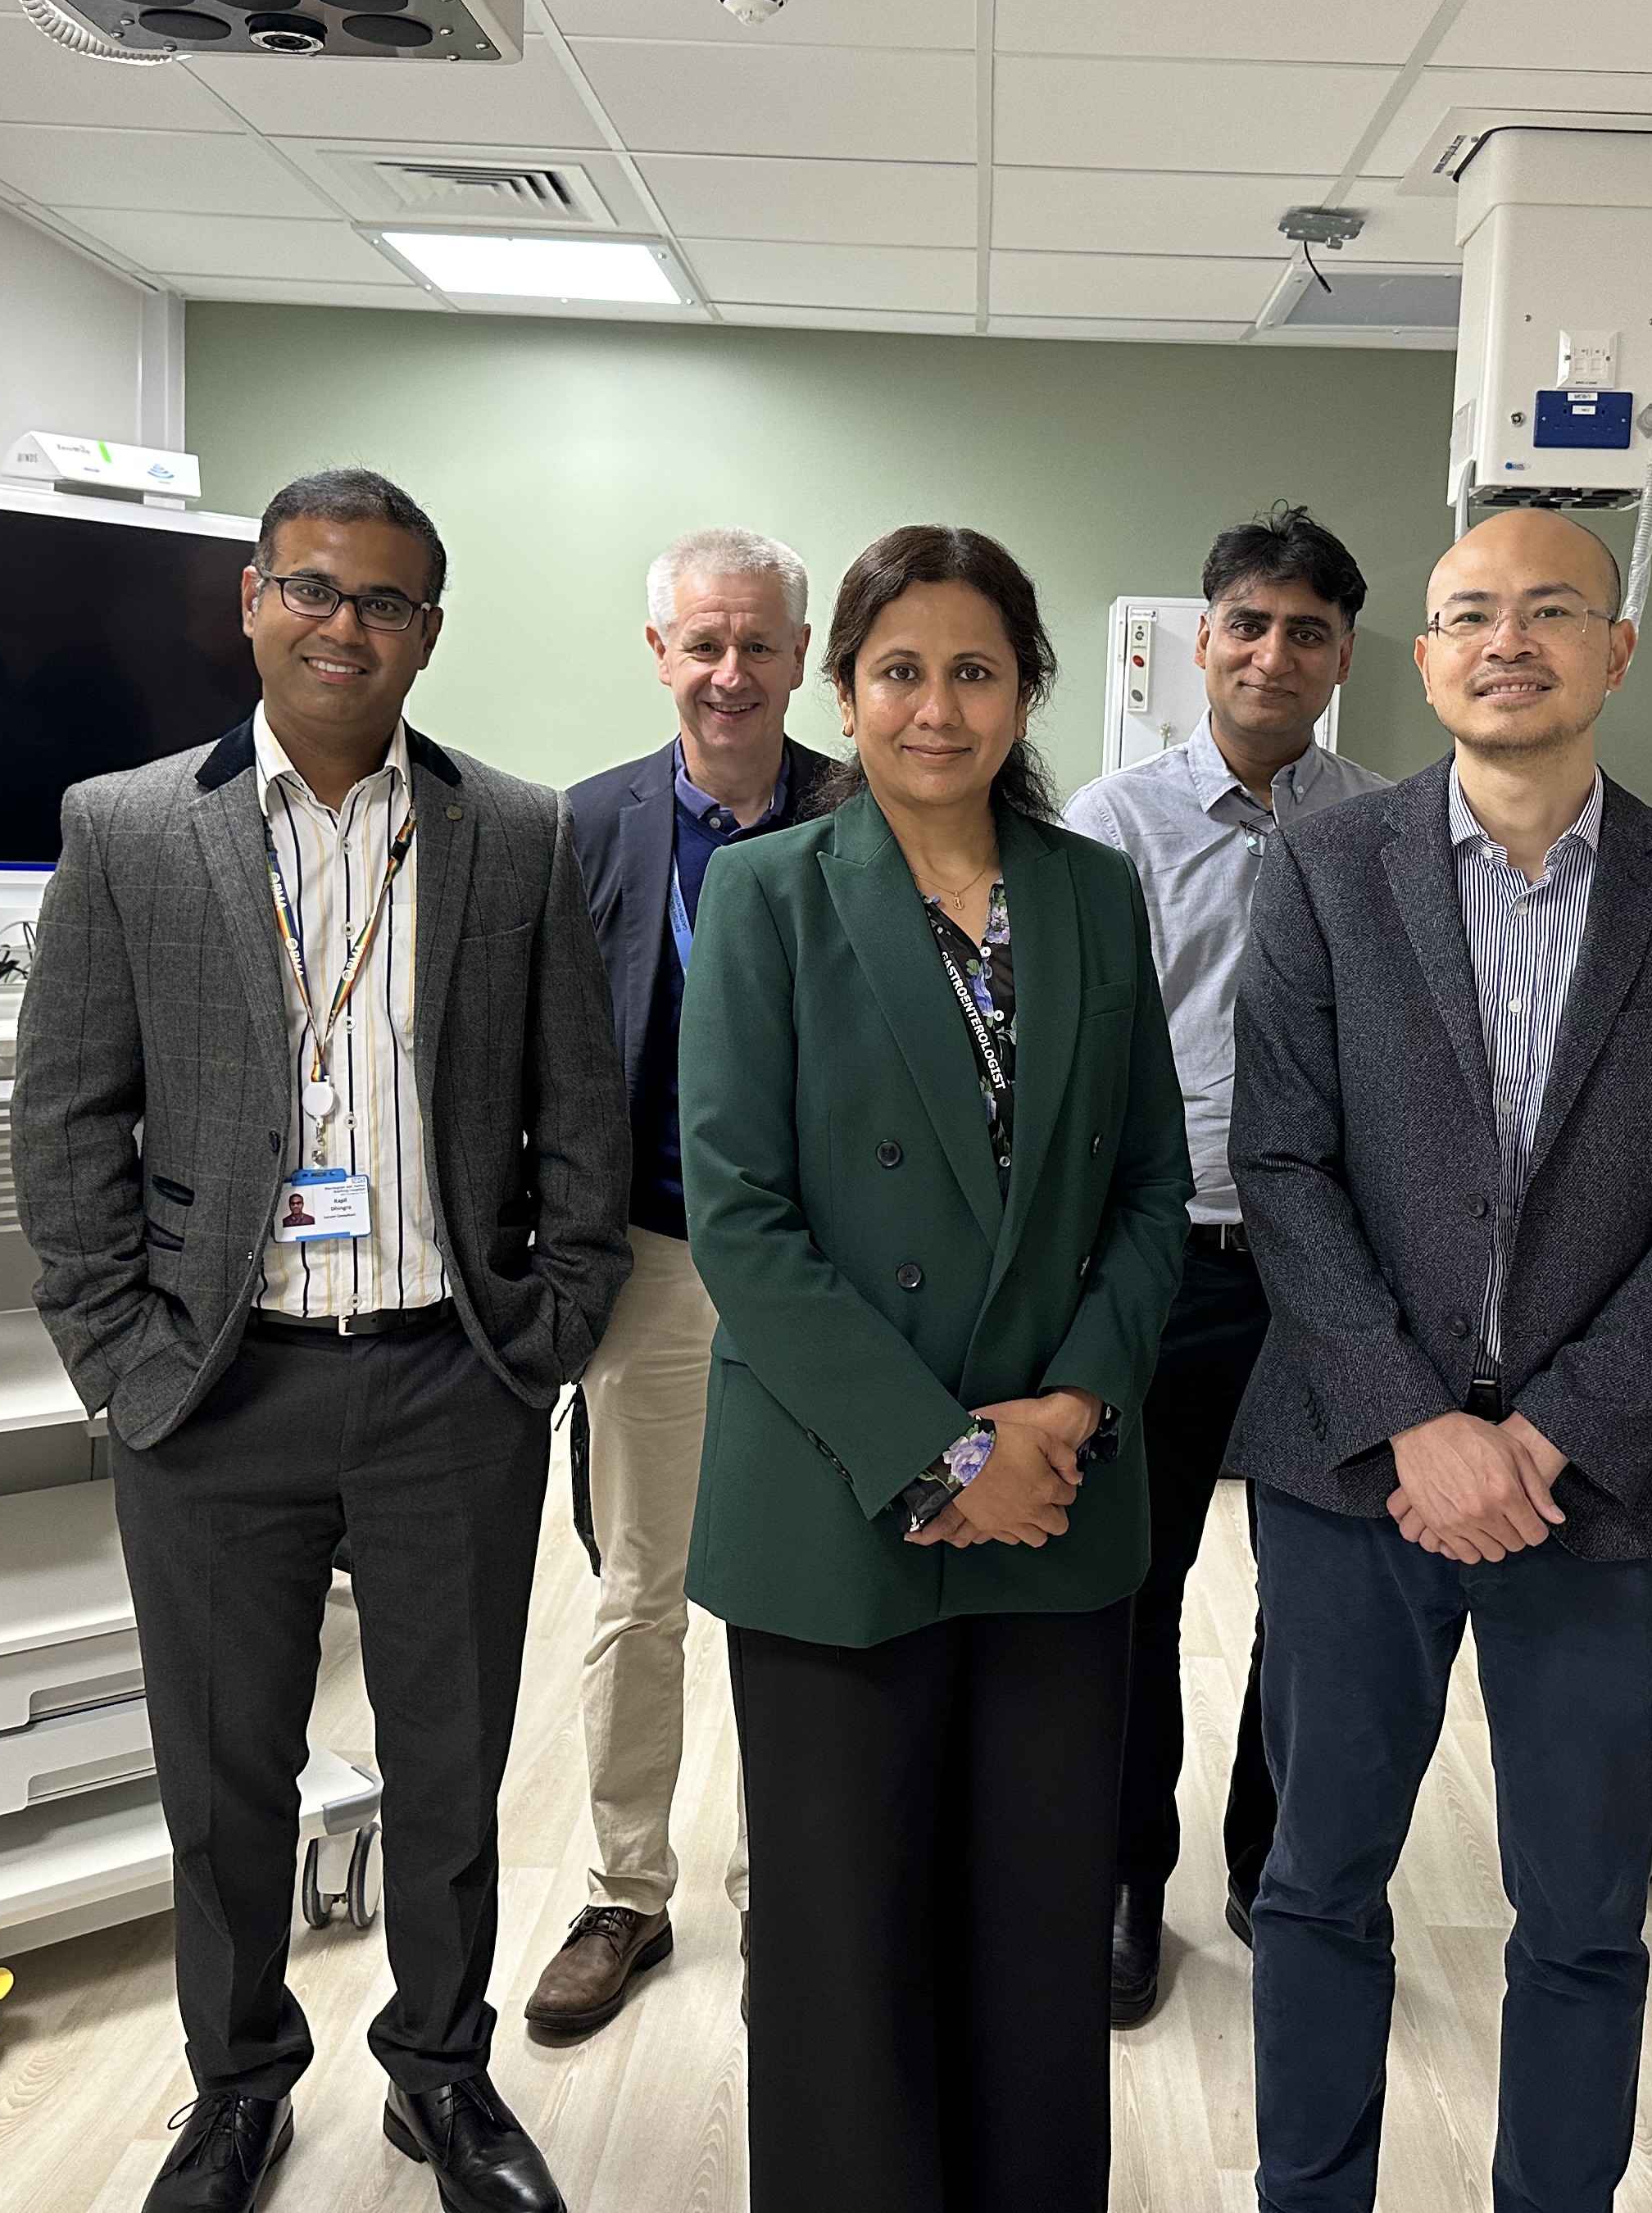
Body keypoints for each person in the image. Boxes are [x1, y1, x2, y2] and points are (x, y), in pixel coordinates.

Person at [16, 467, 629, 2213]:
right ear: (250, 602)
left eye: (386, 602)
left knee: (451, 1765)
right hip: (216, 1389)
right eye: (313, 589)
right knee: (226, 1775)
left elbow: (579, 1107)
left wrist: (555, 1326)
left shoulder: (517, 831)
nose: (345, 625)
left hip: (455, 1379)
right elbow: (64, 1119)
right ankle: (234, 2091)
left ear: (430, 632)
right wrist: (119, 1361)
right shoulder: (130, 828)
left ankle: (441, 2077)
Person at [1228, 508, 1652, 2213]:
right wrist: (1416, 1418)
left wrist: (1542, 1438)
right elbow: (1282, 1166)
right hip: (1352, 1473)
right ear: (1423, 661)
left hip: (1599, 1498)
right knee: (1319, 1884)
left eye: (1554, 610)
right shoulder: (1327, 872)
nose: (1509, 640)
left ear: (1618, 650)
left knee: (1581, 1919)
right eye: (1470, 612)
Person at [678, 526, 1191, 2213]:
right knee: (841, 1941)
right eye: (901, 670)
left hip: (1059, 1503)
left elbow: (1147, 1191)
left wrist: (1061, 1414)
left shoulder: (1093, 892)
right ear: (850, 690)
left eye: (975, 669)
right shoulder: (764, 895)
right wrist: (939, 1452)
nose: (937, 706)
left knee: (1038, 1932)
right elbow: (741, 1221)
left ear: (1026, 687)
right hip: (840, 1498)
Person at [1058, 502, 1388, 2025]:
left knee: (1315, 1593)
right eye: (1248, 623)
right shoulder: (1110, 829)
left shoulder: (1393, 827)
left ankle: (1276, 1864)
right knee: (1134, 1583)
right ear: (1201, 639)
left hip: (1338, 1272)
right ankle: (1129, 1876)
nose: (1273, 652)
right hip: (1170, 1261)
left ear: (1339, 659)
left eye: (1307, 631)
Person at [525, 527, 833, 2039]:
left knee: (804, 1590)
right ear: (661, 654)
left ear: (798, 652)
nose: (730, 672)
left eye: (758, 644)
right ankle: (625, 1892)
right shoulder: (582, 829)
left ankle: (795, 1876)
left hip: (828, 1284)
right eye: (702, 645)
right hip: (650, 1265)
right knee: (643, 1591)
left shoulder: (867, 809)